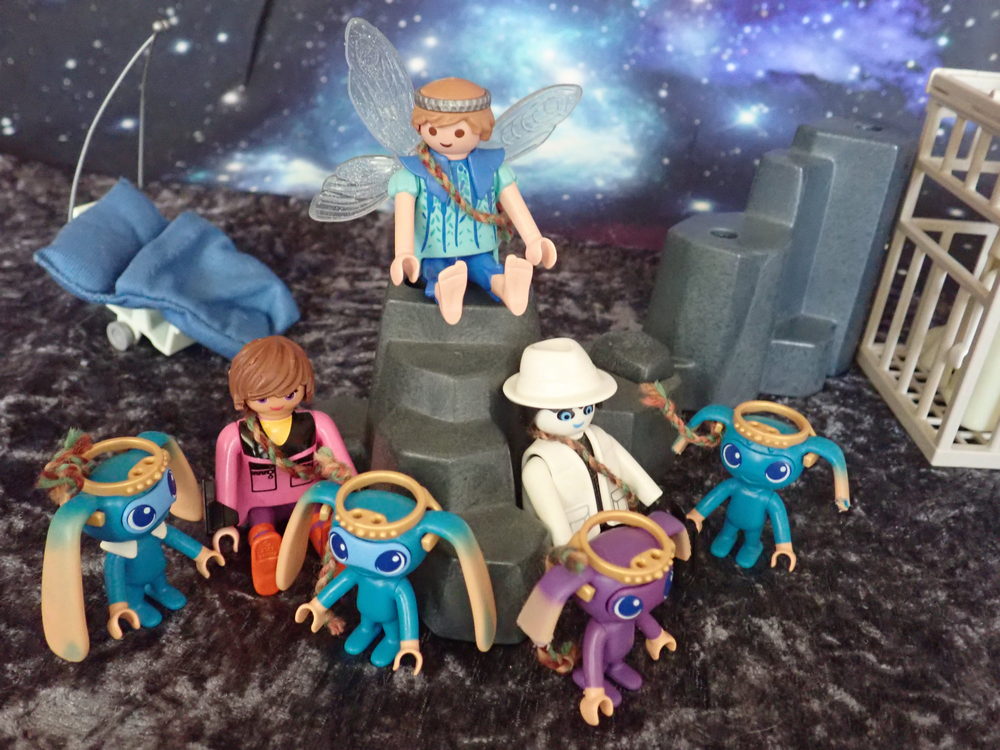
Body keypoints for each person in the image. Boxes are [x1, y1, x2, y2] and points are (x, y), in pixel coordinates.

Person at [388, 77, 557, 324]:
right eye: (433, 130)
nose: (446, 139)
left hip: (479, 248)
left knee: (486, 268)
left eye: (459, 132)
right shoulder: (412, 173)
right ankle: (445, 292)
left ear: (482, 129)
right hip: (433, 251)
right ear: (420, 127)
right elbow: (403, 216)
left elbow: (515, 205)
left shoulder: (493, 168)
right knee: (436, 271)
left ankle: (507, 288)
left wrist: (534, 240)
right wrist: (403, 253)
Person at [214, 335, 355, 595]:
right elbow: (226, 481)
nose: (277, 403)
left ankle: (328, 541)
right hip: (259, 503)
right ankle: (263, 540)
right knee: (261, 522)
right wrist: (225, 523)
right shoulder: (235, 435)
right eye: (263, 398)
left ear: (305, 386)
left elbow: (344, 467)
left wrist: (352, 499)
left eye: (289, 393)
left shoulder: (317, 423)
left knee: (318, 518)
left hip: (309, 498)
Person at [503, 338, 662, 546]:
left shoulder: (599, 436)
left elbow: (628, 466)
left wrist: (654, 499)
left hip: (620, 523)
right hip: (582, 540)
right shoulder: (539, 464)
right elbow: (552, 516)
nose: (580, 419)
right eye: (566, 415)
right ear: (531, 412)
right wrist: (566, 547)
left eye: (587, 409)